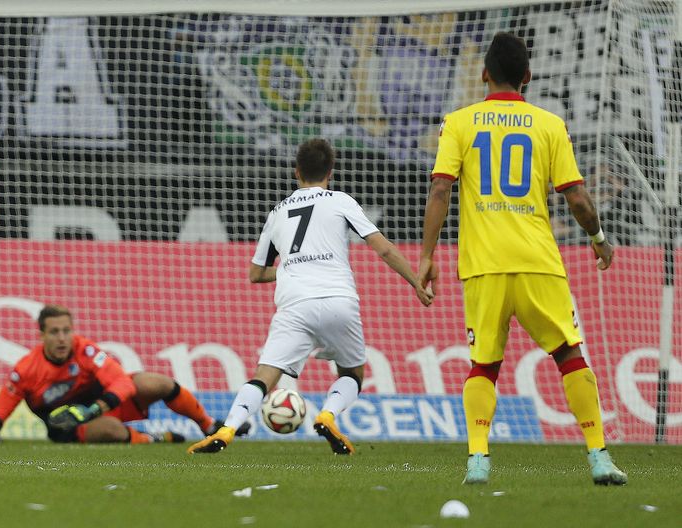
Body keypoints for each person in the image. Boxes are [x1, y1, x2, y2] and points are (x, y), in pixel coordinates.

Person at [417, 32, 627, 485]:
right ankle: (599, 457)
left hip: (483, 265)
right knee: (570, 354)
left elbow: (439, 189)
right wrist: (598, 238)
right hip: (538, 262)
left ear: (483, 73)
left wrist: (427, 256)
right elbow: (577, 199)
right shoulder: (550, 125)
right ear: (527, 77)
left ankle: (477, 460)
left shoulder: (459, 122)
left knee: (483, 364)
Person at [188, 138, 422, 455]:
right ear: (331, 171)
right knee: (353, 374)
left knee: (264, 377)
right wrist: (416, 282)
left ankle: (228, 428)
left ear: (296, 172)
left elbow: (255, 274)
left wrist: (291, 266)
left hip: (295, 302)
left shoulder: (277, 212)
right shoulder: (340, 200)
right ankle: (328, 414)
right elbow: (382, 247)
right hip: (338, 298)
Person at [0, 305, 248, 444]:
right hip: (68, 427)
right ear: (41, 335)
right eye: (54, 332)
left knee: (157, 383)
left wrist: (94, 408)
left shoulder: (85, 350)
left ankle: (208, 425)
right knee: (111, 430)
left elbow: (121, 383)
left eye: (66, 331)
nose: (62, 338)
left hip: (101, 406)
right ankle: (152, 439)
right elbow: (1, 407)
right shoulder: (27, 368)